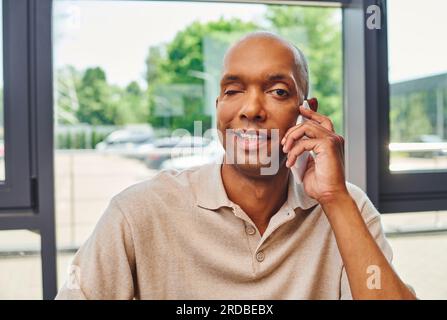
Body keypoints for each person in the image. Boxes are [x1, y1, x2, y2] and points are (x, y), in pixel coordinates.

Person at [56, 32, 416, 300]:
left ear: (306, 110)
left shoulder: (348, 208)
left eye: (277, 91)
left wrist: (335, 199)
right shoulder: (138, 213)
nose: (251, 110)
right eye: (233, 91)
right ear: (217, 106)